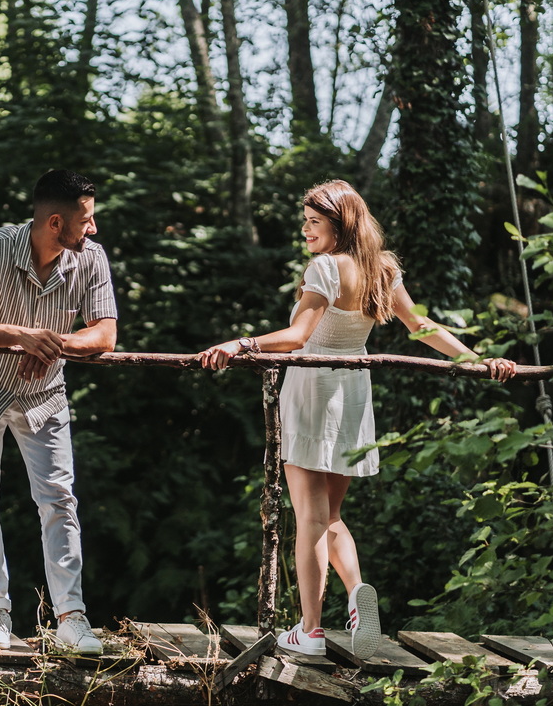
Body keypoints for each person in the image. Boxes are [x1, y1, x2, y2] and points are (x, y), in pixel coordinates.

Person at [198, 179, 515, 659]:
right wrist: (474, 360)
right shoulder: (381, 269)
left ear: (338, 224)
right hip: (353, 389)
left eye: (313, 221)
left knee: (307, 519)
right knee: (331, 516)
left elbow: (297, 335)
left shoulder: (325, 267)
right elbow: (421, 327)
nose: (305, 230)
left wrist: (239, 344)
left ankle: (310, 631)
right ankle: (356, 592)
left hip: (312, 388)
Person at [0, 169, 118, 655]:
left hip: (45, 396)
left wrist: (53, 344)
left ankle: (71, 618)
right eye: (87, 220)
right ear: (56, 222)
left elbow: (104, 334)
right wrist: (23, 336)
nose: (94, 229)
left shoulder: (91, 258)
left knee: (59, 498)